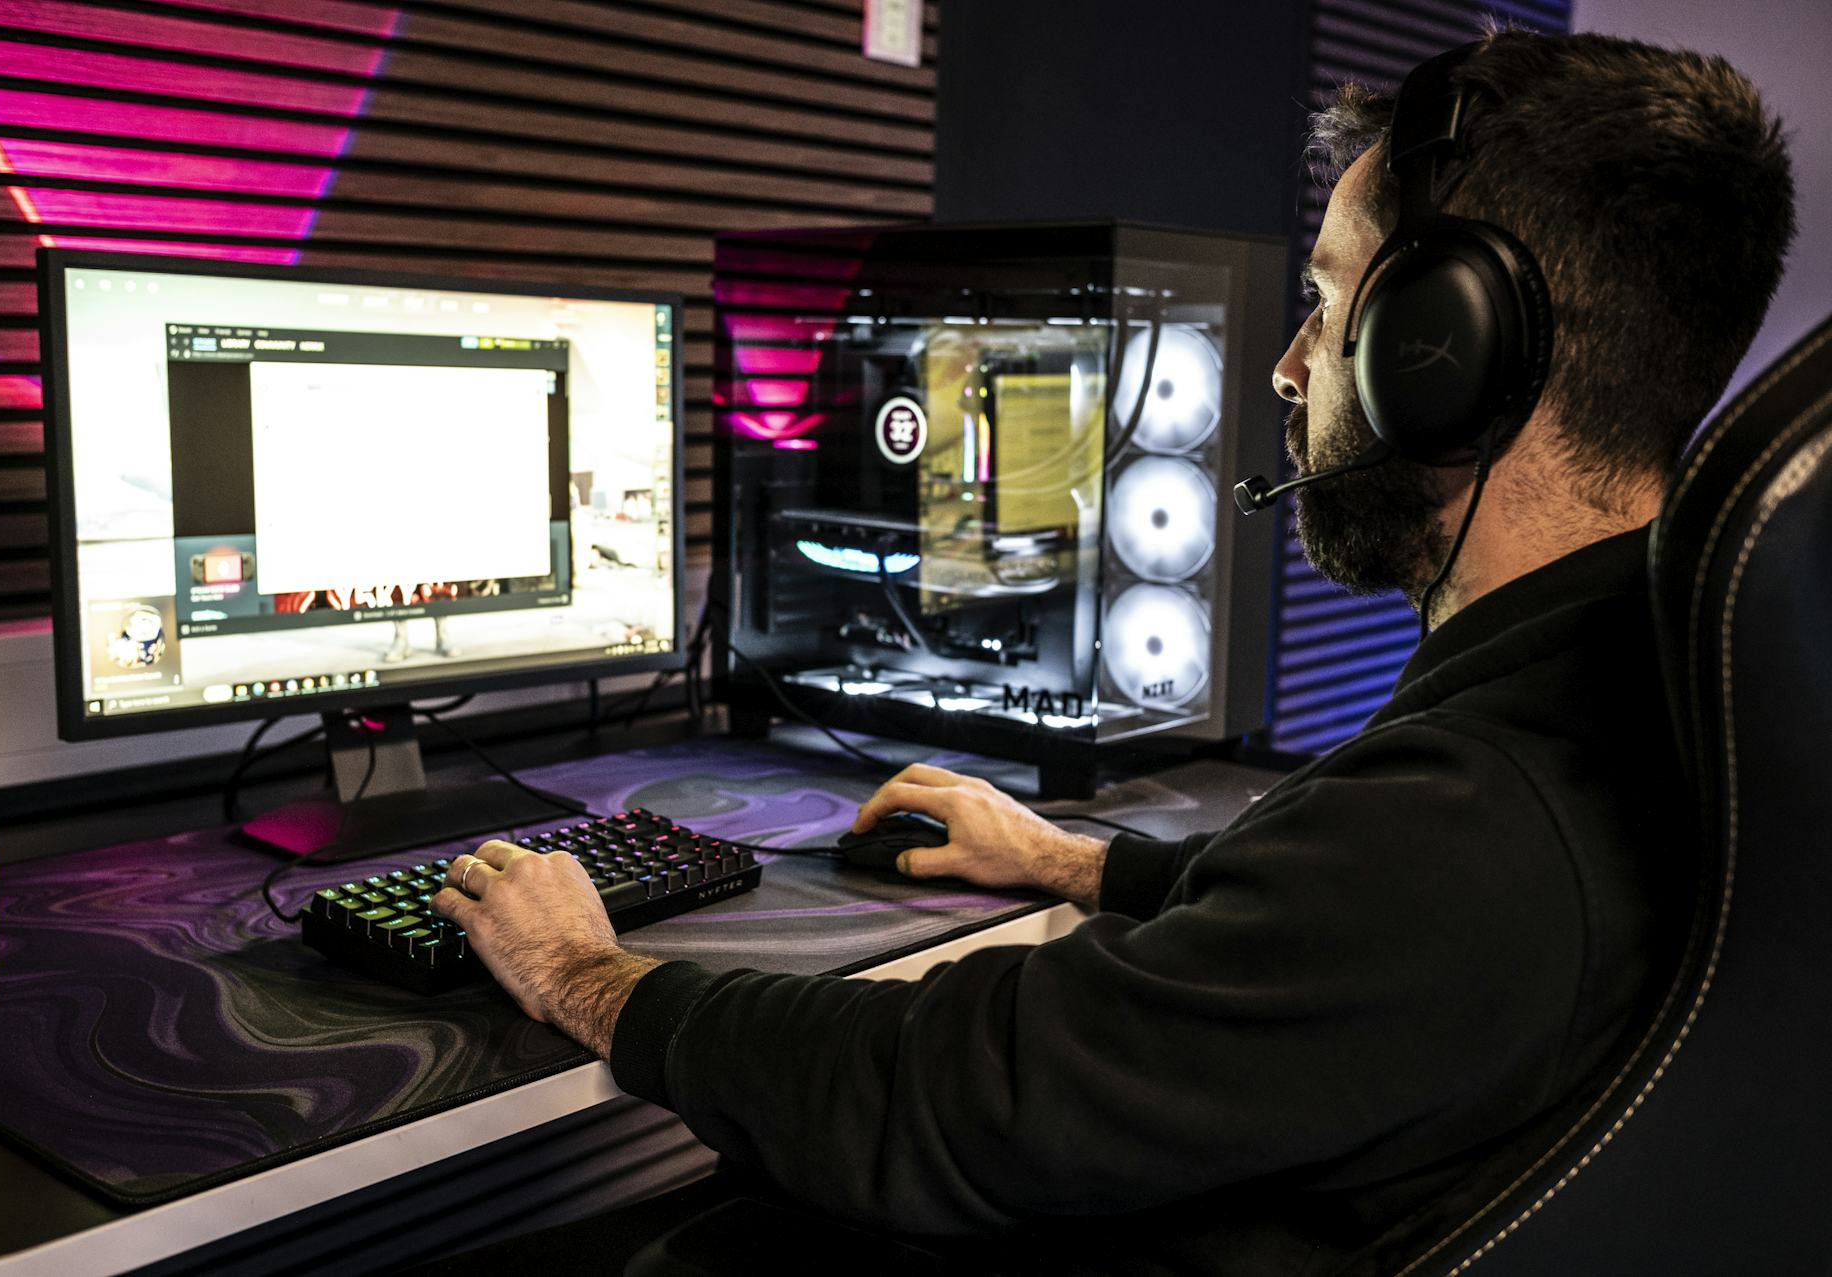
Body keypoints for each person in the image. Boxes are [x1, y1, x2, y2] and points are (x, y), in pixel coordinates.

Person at [429, 31, 1796, 1273]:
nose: (1289, 364)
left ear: (1449, 353)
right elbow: (1329, 938)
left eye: (1329, 300)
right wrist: (1077, 861)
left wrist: (587, 975)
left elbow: (949, 1099)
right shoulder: (1668, 692)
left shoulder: (1473, 817)